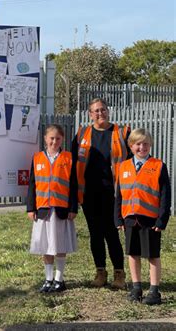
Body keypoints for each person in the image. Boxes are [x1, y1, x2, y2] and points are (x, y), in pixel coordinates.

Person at [72, 98, 131, 289]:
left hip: (113, 194)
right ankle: (100, 272)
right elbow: (73, 164)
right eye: (95, 111)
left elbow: (133, 161)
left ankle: (119, 275)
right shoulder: (82, 134)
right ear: (90, 114)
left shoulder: (121, 133)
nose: (100, 114)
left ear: (108, 111)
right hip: (89, 194)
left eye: (102, 110)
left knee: (111, 233)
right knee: (95, 234)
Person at [114, 128, 171, 305]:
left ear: (150, 145)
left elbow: (165, 196)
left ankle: (154, 291)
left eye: (146, 144)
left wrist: (162, 219)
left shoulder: (158, 166)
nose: (142, 147)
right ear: (131, 146)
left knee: (152, 255)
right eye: (138, 144)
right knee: (133, 254)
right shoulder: (123, 167)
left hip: (151, 220)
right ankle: (136, 288)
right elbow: (119, 195)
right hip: (130, 219)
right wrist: (118, 218)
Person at [27, 124, 78, 293]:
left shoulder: (68, 158)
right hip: (42, 209)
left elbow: (73, 185)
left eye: (57, 138)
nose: (54, 141)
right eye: (51, 138)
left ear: (62, 139)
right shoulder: (37, 158)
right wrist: (30, 208)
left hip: (61, 210)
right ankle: (48, 279)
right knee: (45, 245)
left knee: (59, 244)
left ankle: (59, 279)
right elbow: (32, 185)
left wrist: (73, 208)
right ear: (45, 139)